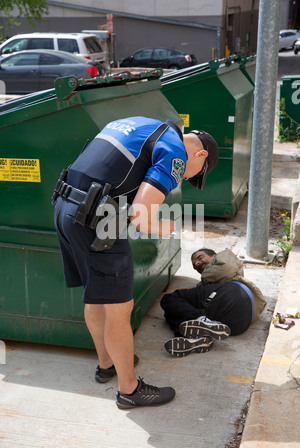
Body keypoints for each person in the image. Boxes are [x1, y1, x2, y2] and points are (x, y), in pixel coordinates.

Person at [52, 116, 218, 408]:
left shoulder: (141, 124)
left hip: (66, 209)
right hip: (97, 221)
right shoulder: (176, 152)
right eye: (194, 175)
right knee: (119, 308)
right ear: (200, 155)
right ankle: (129, 390)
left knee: (96, 295)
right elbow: (141, 216)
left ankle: (107, 364)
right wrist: (166, 226)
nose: (187, 180)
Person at [161, 248, 266, 357]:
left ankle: (200, 322)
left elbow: (225, 270)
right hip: (238, 326)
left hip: (232, 295)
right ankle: (200, 337)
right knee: (173, 312)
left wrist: (198, 287)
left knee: (170, 299)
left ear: (213, 255)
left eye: (200, 257)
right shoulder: (212, 283)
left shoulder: (224, 257)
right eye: (195, 266)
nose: (197, 263)